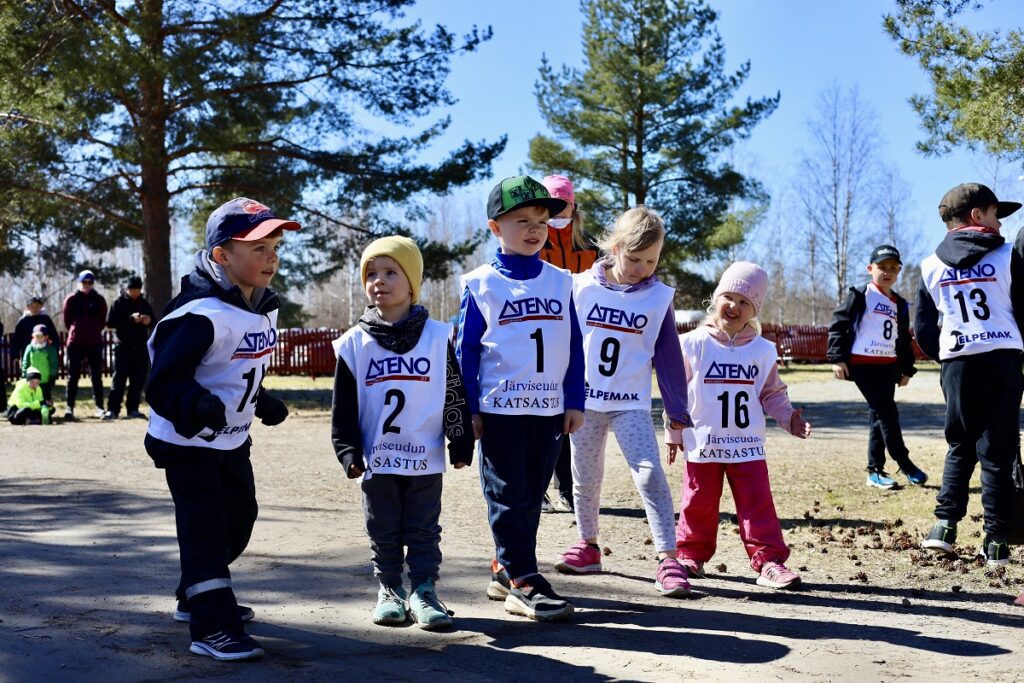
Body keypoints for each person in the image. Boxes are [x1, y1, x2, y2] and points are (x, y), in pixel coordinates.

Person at [144, 197, 297, 661]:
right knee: (206, 529)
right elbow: (163, 383)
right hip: (186, 442)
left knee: (240, 519)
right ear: (221, 256)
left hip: (231, 439)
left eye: (275, 245)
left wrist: (262, 400)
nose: (271, 256)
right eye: (257, 247)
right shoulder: (197, 315)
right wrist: (197, 404)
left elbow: (238, 366)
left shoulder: (263, 307)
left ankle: (195, 594)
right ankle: (212, 625)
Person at [457, 175, 585, 622]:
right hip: (499, 411)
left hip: (549, 409)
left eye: (541, 221)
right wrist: (469, 407)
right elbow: (466, 352)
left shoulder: (561, 281)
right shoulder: (481, 284)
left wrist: (574, 401)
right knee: (508, 494)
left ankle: (504, 567)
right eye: (521, 221)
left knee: (531, 496)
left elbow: (573, 345)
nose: (534, 229)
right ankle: (524, 580)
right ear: (496, 228)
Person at [331, 236, 474, 630]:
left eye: (391, 272)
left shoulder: (437, 336)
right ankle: (390, 589)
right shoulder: (353, 344)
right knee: (383, 527)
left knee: (424, 528)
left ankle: (425, 590)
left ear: (412, 282)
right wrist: (347, 451)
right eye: (371, 274)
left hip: (424, 455)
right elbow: (343, 406)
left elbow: (453, 392)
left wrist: (460, 441)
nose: (379, 281)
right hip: (378, 460)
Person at [553, 206, 693, 597]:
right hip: (583, 404)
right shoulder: (579, 286)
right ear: (614, 248)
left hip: (629, 403)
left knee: (648, 474)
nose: (642, 268)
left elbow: (667, 357)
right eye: (634, 258)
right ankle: (588, 545)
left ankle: (668, 557)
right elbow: (562, 343)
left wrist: (676, 414)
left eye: (651, 260)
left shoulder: (658, 297)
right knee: (585, 476)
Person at [667, 262, 812, 589]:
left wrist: (789, 418)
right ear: (716, 298)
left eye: (745, 302)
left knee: (757, 502)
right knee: (698, 502)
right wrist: (673, 433)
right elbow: (675, 392)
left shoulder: (763, 351)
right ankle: (691, 556)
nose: (734, 306)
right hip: (703, 443)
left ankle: (769, 562)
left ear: (755, 310)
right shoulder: (692, 344)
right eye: (729, 297)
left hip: (746, 446)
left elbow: (772, 392)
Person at [916, 183, 1024, 567]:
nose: (999, 224)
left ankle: (943, 526)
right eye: (996, 215)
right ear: (978, 216)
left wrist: (947, 354)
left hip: (958, 362)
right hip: (1003, 358)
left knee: (960, 445)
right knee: (997, 452)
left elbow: (924, 329)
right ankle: (996, 540)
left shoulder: (929, 265)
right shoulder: (1009, 256)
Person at [827, 244, 925, 489]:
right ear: (870, 269)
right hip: (863, 366)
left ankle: (875, 471)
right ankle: (904, 461)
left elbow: (903, 339)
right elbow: (839, 324)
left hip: (887, 367)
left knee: (879, 417)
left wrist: (906, 369)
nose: (887, 272)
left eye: (893, 268)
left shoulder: (899, 304)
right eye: (882, 267)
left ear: (899, 271)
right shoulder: (861, 294)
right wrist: (837, 358)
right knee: (887, 413)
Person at [538, 174, 600, 514]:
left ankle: (568, 487)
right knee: (545, 417)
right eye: (552, 205)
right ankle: (540, 488)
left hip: (583, 341)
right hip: (544, 340)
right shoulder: (534, 243)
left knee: (572, 416)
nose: (558, 210)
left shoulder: (592, 248)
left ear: (573, 206)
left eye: (563, 204)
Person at [104, 275, 155, 419]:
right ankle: (113, 409)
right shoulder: (118, 303)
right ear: (127, 289)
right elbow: (110, 323)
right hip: (122, 347)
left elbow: (153, 321)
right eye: (132, 289)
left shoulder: (144, 303)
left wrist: (148, 321)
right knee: (118, 380)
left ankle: (133, 409)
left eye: (137, 290)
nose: (134, 292)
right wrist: (130, 320)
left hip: (140, 348)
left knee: (137, 381)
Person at [62, 270, 108, 419]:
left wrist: (92, 330)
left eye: (89, 282)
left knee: (96, 375)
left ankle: (100, 407)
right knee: (72, 375)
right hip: (75, 343)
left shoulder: (99, 300)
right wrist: (77, 330)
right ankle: (69, 407)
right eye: (84, 282)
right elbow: (67, 321)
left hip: (94, 342)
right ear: (79, 283)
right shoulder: (71, 299)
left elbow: (102, 320)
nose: (87, 285)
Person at [21, 324, 59, 406]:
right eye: (36, 336)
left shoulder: (50, 349)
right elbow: (25, 362)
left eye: (40, 336)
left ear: (46, 337)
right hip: (32, 380)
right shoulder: (29, 348)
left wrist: (52, 376)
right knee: (33, 397)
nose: (38, 338)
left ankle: (47, 413)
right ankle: (34, 413)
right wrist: (24, 374)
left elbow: (54, 363)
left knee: (46, 397)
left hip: (45, 379)